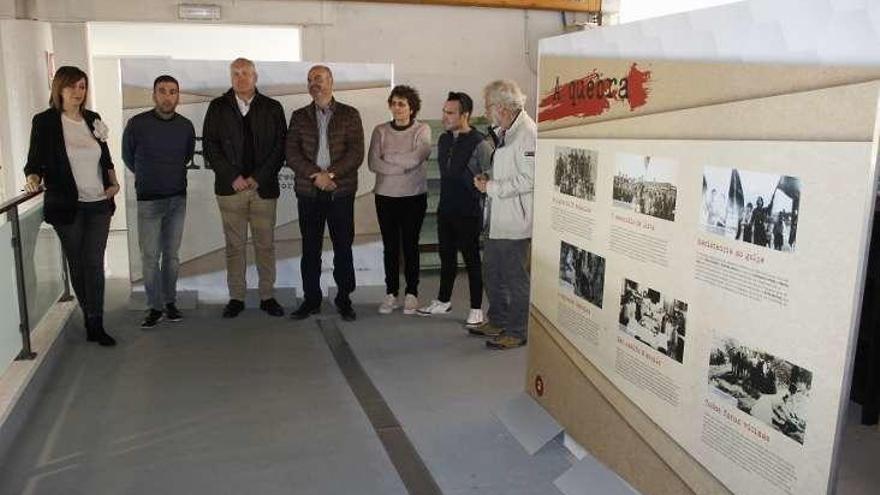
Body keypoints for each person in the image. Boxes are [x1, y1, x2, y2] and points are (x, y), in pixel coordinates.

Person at [23, 66, 119, 346]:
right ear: (59, 89)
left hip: (99, 203)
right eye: (72, 87)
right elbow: (34, 161)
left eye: (82, 87)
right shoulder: (45, 122)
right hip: (67, 205)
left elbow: (106, 158)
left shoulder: (93, 119)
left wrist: (113, 183)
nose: (78, 92)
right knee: (77, 263)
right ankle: (90, 315)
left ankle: (96, 322)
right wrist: (32, 178)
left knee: (94, 263)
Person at [202, 58, 287, 318]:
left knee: (265, 245)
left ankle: (267, 296)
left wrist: (259, 177)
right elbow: (210, 146)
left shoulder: (273, 107)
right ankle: (236, 297)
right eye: (236, 73)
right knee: (234, 246)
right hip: (231, 190)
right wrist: (232, 176)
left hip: (264, 189)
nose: (241, 78)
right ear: (230, 77)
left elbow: (280, 146)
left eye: (246, 73)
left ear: (255, 76)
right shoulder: (217, 107)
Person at [287, 65, 364, 322]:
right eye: (310, 80)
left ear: (331, 82)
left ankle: (344, 299)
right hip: (309, 192)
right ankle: (311, 300)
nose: (314, 84)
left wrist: (329, 175)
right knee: (310, 248)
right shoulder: (298, 116)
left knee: (343, 247)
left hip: (339, 191)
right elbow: (292, 153)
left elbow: (355, 153)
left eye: (318, 79)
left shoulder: (350, 114)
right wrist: (315, 175)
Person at [122, 75, 196, 328]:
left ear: (178, 96)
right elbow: (128, 157)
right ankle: (154, 307)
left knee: (172, 256)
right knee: (150, 257)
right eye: (162, 91)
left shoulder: (186, 126)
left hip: (177, 199)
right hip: (149, 201)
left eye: (173, 91)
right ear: (154, 95)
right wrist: (148, 177)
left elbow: (186, 156)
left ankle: (170, 302)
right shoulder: (137, 124)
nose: (167, 96)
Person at [417, 92, 492, 328]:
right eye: (444, 111)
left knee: (471, 261)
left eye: (450, 113)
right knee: (446, 257)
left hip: (469, 211)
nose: (445, 116)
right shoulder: (444, 139)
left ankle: (477, 309)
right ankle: (443, 300)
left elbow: (492, 174)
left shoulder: (480, 143)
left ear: (465, 115)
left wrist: (483, 183)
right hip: (446, 208)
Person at [473, 80, 537, 350]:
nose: (486, 112)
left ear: (501, 107)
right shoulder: (507, 131)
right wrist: (491, 178)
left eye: (488, 106)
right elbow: (511, 170)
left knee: (515, 279)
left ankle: (517, 330)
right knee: (492, 272)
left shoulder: (527, 133)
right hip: (498, 217)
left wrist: (492, 187)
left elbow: (531, 179)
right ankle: (498, 319)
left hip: (516, 221)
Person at [368, 85, 431, 315]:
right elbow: (373, 163)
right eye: (393, 103)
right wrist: (400, 167)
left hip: (413, 196)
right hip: (385, 197)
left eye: (402, 103)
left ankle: (412, 293)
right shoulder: (380, 131)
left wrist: (390, 158)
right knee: (391, 247)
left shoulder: (422, 130)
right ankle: (391, 293)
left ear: (411, 108)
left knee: (410, 245)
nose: (397, 108)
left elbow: (417, 158)